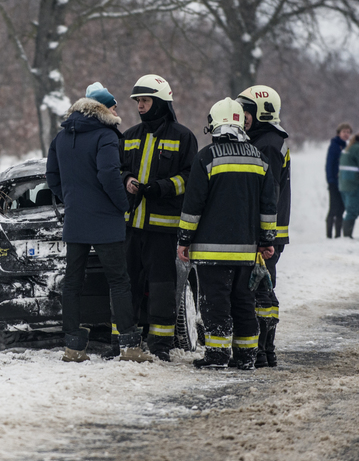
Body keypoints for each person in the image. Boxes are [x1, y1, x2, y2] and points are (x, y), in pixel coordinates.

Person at [46, 83, 152, 363]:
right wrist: (122, 205)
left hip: (76, 220)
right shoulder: (105, 136)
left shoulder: (61, 137)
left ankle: (73, 347)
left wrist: (70, 200)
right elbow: (108, 173)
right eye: (114, 107)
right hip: (106, 220)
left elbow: (52, 178)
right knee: (118, 281)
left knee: (73, 282)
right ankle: (129, 345)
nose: (117, 112)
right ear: (104, 109)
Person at [177, 98, 277, 370]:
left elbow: (193, 206)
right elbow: (269, 207)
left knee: (215, 304)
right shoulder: (260, 159)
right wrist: (267, 241)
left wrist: (184, 240)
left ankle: (218, 356)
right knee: (244, 302)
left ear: (215, 124)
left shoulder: (206, 158)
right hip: (247, 252)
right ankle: (247, 357)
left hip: (212, 252)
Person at [119, 74, 197, 362]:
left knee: (162, 288)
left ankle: (161, 345)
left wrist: (161, 188)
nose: (140, 106)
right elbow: (118, 169)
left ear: (161, 102)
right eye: (138, 101)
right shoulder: (129, 136)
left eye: (145, 100)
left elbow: (190, 178)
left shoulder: (183, 136)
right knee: (128, 285)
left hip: (163, 230)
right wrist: (127, 179)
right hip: (131, 227)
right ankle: (125, 340)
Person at [235, 85, 289, 368]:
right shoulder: (268, 139)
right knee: (262, 289)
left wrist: (261, 235)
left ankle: (261, 348)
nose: (241, 116)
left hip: (264, 235)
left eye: (245, 110)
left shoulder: (266, 143)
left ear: (259, 112)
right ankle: (264, 350)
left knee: (260, 291)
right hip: (268, 233)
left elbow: (268, 194)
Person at [325, 123, 352, 238]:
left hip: (344, 183)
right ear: (339, 133)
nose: (346, 134)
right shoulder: (334, 146)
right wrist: (331, 180)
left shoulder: (347, 146)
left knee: (341, 208)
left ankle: (338, 235)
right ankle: (329, 235)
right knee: (333, 208)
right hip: (334, 183)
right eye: (344, 132)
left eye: (348, 132)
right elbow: (329, 164)